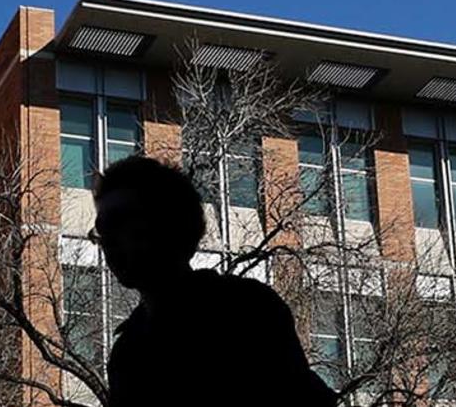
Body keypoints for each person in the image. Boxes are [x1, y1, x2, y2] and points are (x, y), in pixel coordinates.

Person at [90, 155, 338, 406]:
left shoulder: (246, 310)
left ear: (168, 225)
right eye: (102, 230)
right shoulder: (128, 351)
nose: (107, 241)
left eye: (118, 223)